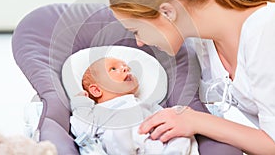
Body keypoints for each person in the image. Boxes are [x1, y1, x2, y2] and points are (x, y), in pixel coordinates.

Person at [108, 0, 275, 154]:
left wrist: (196, 120)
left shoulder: (265, 31)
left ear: (167, 12)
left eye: (136, 30)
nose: (139, 42)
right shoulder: (203, 40)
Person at [69, 57, 199, 155]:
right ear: (97, 90)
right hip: (118, 144)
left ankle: (175, 152)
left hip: (152, 143)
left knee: (181, 130)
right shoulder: (97, 111)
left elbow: (164, 117)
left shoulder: (144, 103)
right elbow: (82, 130)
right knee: (112, 134)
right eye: (113, 69)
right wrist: (81, 102)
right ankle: (124, 146)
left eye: (126, 67)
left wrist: (177, 113)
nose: (125, 68)